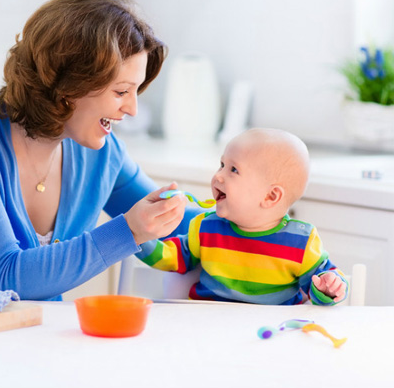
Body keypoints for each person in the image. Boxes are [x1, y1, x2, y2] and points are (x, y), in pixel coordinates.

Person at [0, 0, 198, 301]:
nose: (132, 109)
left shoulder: (102, 153)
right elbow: (4, 278)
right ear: (70, 85)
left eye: (135, 91)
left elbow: (175, 224)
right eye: (121, 91)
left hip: (35, 332)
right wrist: (128, 231)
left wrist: (241, 212)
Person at [136, 128, 348, 305]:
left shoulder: (301, 241)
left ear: (270, 196)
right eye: (221, 165)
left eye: (234, 170)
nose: (218, 176)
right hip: (206, 326)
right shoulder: (206, 227)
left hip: (267, 335)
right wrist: (137, 236)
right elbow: (173, 258)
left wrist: (329, 287)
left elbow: (319, 287)